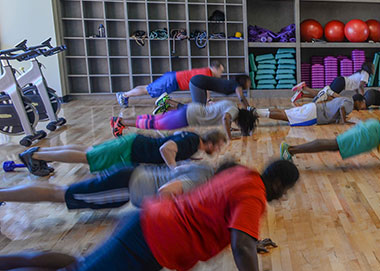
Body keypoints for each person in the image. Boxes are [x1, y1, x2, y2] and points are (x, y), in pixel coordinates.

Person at [0, 160, 300, 271]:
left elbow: (221, 212)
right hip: (151, 238)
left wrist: (249, 238)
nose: (283, 197)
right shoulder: (253, 196)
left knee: (78, 267)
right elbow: (240, 247)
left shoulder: (244, 173)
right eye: (285, 191)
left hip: (149, 226)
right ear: (277, 184)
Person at [0, 161, 214, 210]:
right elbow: (165, 192)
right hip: (128, 186)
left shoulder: (205, 169)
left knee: (61, 192)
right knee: (60, 194)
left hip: (132, 174)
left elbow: (176, 169)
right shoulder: (203, 181)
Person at [19, 131, 226, 177]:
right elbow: (165, 148)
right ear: (210, 142)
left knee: (87, 151)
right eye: (217, 147)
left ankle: (38, 152)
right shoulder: (191, 142)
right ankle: (35, 156)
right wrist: (174, 168)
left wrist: (185, 158)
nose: (216, 151)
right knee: (87, 157)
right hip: (129, 149)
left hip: (132, 144)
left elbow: (170, 143)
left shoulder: (193, 140)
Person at [111, 100, 257, 141]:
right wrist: (229, 137)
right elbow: (225, 118)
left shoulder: (233, 105)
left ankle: (120, 120)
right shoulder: (234, 112)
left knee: (155, 119)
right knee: (156, 124)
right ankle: (121, 123)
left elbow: (221, 114)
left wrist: (230, 128)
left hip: (192, 109)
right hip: (190, 116)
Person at [116, 62, 224, 107]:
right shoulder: (207, 73)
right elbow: (205, 88)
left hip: (173, 79)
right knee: (148, 89)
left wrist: (208, 100)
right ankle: (124, 95)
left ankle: (125, 95)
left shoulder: (206, 72)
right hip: (172, 80)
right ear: (215, 69)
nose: (221, 74)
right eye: (221, 71)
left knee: (148, 88)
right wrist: (208, 101)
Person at [259, 94, 365, 127]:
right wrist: (344, 121)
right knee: (286, 117)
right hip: (314, 115)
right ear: (358, 101)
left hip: (313, 107)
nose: (363, 106)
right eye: (363, 103)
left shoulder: (344, 98)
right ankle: (257, 113)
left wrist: (340, 118)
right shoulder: (350, 104)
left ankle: (257, 111)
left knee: (285, 112)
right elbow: (342, 108)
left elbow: (335, 107)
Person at [291, 62, 374, 102]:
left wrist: (358, 96)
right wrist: (363, 97)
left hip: (341, 81)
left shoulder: (361, 72)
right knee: (325, 96)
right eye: (373, 67)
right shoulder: (366, 74)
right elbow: (360, 86)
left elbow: (356, 87)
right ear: (369, 68)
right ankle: (304, 87)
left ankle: (303, 95)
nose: (374, 69)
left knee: (324, 95)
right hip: (342, 83)